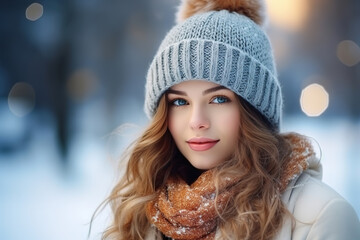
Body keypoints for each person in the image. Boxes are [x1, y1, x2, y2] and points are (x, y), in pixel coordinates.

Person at [99, 0, 360, 239]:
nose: (197, 121)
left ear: (254, 110)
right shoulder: (140, 212)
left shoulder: (321, 217)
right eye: (180, 102)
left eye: (219, 99)